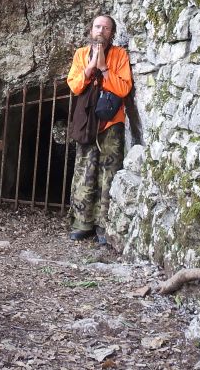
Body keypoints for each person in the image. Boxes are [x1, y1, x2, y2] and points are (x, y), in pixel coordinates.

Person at [66, 14, 133, 244]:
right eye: (97, 26)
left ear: (112, 33)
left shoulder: (120, 55)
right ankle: (82, 223)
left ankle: (104, 225)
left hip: (110, 122)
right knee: (85, 169)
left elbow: (124, 89)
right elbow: (74, 86)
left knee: (109, 172)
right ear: (91, 29)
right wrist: (90, 68)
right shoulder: (80, 55)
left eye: (106, 28)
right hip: (86, 122)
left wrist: (104, 69)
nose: (101, 31)